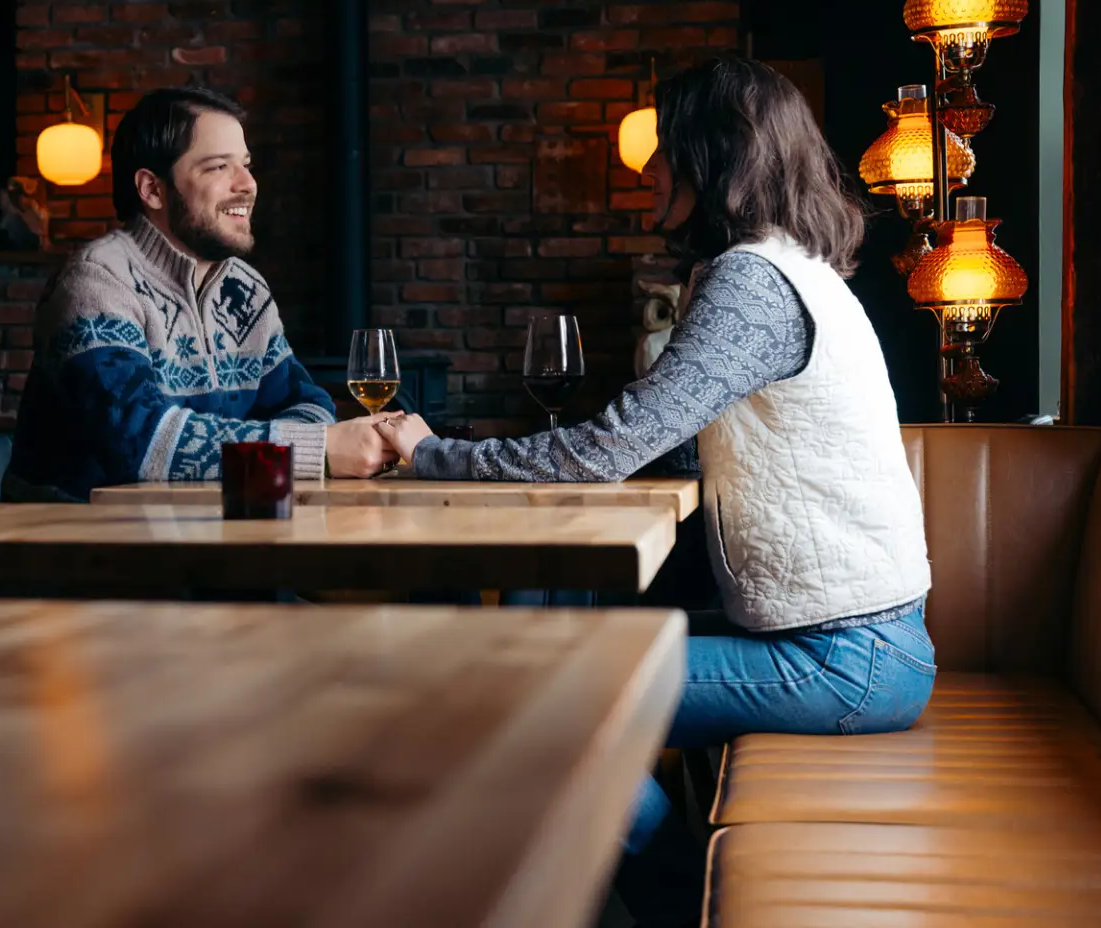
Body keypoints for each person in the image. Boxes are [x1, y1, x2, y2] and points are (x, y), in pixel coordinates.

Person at [379, 57, 935, 927]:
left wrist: (431, 454)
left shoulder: (756, 282)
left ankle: (683, 907)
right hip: (857, 644)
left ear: (713, 158)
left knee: (526, 700)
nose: (645, 169)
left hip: (845, 660)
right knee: (552, 660)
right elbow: (674, 448)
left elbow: (613, 446)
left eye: (662, 147)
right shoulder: (792, 269)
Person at [5, 87, 397, 502]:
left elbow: (307, 403)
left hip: (194, 531)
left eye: (245, 165)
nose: (248, 184)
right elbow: (141, 444)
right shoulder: (97, 283)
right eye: (217, 168)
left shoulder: (244, 289)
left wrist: (311, 442)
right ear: (152, 189)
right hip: (71, 541)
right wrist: (317, 451)